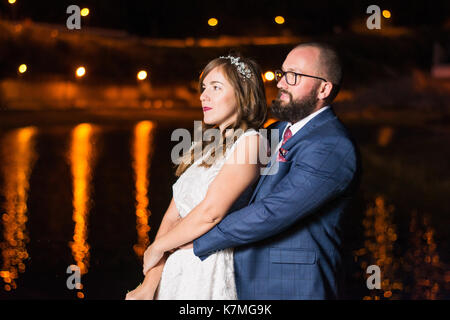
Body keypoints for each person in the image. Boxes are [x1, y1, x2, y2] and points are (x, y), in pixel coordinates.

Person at [192, 42, 360, 299]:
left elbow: (270, 212)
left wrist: (196, 240)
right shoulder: (273, 132)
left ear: (323, 88)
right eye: (282, 74)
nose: (281, 83)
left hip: (294, 286)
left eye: (293, 76)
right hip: (243, 280)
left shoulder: (333, 146)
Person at [125, 54, 268, 299]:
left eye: (216, 87)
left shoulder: (251, 143)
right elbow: (173, 214)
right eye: (203, 88)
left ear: (243, 93)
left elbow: (210, 213)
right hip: (175, 270)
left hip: (205, 268)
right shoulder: (206, 146)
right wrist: (151, 281)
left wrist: (158, 247)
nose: (203, 96)